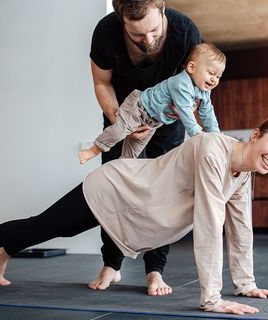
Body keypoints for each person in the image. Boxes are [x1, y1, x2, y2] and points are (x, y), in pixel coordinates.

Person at [0, 104, 268, 315]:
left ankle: (2, 252)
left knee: (57, 229)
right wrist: (211, 298)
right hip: (117, 188)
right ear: (256, 135)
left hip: (138, 208)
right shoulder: (214, 149)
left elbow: (240, 230)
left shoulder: (243, 175)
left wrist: (246, 285)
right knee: (45, 226)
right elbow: (209, 224)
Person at [89, 0, 201, 295]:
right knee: (112, 190)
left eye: (154, 30)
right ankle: (111, 265)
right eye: (137, 35)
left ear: (162, 9)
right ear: (121, 21)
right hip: (122, 118)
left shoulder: (185, 31)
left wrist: (169, 116)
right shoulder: (106, 32)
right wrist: (121, 122)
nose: (148, 40)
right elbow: (102, 82)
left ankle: (155, 271)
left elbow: (196, 88)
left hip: (168, 124)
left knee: (163, 195)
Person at [78, 42, 224, 164]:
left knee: (134, 152)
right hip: (138, 107)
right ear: (192, 68)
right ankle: (94, 150)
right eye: (211, 73)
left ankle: (121, 168)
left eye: (218, 76)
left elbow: (208, 113)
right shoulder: (180, 84)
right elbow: (185, 110)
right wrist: (196, 133)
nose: (214, 80)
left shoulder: (204, 92)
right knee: (119, 131)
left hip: (152, 122)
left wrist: (216, 135)